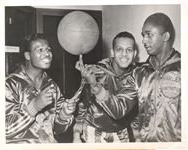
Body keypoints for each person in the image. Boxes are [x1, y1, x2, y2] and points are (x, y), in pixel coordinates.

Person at [5, 33, 78, 143]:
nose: (47, 54)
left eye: (48, 49)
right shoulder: (11, 84)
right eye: (40, 50)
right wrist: (34, 106)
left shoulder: (52, 86)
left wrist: (64, 114)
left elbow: (57, 130)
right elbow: (4, 130)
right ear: (28, 56)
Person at [73, 31, 139, 143]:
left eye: (129, 50)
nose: (124, 54)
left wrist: (137, 136)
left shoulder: (137, 75)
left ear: (135, 53)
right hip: (94, 129)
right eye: (119, 49)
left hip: (121, 131)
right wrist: (76, 135)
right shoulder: (96, 72)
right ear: (112, 52)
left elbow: (135, 110)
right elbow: (83, 103)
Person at [131, 12, 181, 142]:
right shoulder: (139, 73)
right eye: (143, 35)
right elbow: (134, 111)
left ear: (165, 36)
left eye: (149, 35)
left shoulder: (182, 69)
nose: (143, 40)